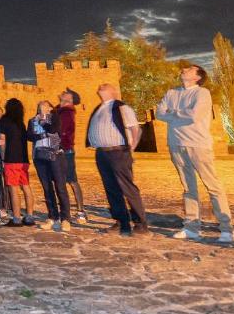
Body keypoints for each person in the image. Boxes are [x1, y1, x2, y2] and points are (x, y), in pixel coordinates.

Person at [157, 65, 234, 243]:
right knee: (188, 188)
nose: (184, 69)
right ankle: (192, 228)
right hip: (176, 144)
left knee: (213, 186)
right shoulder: (171, 93)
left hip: (198, 144)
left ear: (197, 77)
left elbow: (194, 115)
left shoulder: (202, 93)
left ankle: (227, 229)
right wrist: (177, 114)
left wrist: (173, 113)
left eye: (190, 69)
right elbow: (160, 113)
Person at [87, 84, 149, 237]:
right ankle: (122, 222)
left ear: (113, 91)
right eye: (100, 86)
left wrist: (131, 148)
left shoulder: (121, 107)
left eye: (106, 86)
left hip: (118, 152)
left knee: (127, 187)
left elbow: (136, 129)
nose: (101, 86)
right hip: (102, 153)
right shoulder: (99, 108)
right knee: (111, 189)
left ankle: (140, 224)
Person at [29, 101, 71, 232]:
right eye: (40, 105)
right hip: (40, 157)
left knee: (60, 187)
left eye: (46, 105)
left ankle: (65, 219)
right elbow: (29, 136)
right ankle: (53, 217)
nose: (42, 107)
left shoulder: (55, 118)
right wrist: (41, 133)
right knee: (47, 188)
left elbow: (53, 130)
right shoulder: (32, 120)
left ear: (51, 108)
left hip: (55, 156)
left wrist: (42, 121)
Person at [0, 99, 35, 227]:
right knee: (26, 187)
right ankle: (29, 217)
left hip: (11, 159)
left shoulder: (3, 121)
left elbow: (2, 141)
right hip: (23, 160)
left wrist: (3, 158)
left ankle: (17, 218)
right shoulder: (21, 123)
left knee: (13, 189)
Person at [57, 89, 87, 223]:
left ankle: (80, 212)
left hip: (65, 150)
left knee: (72, 181)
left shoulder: (67, 112)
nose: (63, 94)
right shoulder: (60, 110)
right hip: (61, 150)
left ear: (70, 100)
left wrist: (62, 146)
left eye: (66, 95)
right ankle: (68, 211)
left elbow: (64, 132)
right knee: (63, 181)